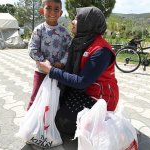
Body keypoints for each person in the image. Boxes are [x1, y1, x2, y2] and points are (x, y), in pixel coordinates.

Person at [37, 6, 119, 134]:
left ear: (88, 23)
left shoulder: (101, 51)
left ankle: (103, 121)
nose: (73, 21)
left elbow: (81, 81)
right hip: (85, 91)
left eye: (77, 18)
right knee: (55, 105)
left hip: (100, 99)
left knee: (63, 122)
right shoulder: (81, 42)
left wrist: (51, 70)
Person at [27, 0, 72, 110]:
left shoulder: (64, 32)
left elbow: (70, 50)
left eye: (56, 9)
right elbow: (32, 49)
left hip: (58, 73)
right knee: (36, 96)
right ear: (42, 10)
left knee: (56, 98)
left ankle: (52, 121)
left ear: (61, 13)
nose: (52, 12)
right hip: (41, 72)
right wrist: (44, 62)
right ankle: (30, 119)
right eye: (48, 8)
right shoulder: (39, 30)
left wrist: (62, 63)